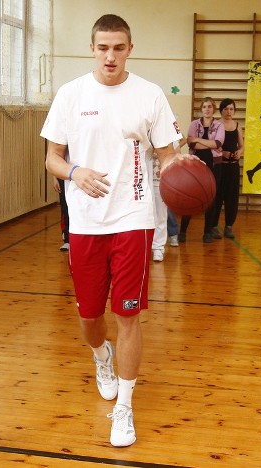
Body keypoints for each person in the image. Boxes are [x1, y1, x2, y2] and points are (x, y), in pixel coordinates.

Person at [40, 14, 186, 447]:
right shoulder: (70, 94)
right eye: (103, 47)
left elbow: (168, 154)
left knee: (128, 315)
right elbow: (52, 158)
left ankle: (124, 406)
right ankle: (101, 357)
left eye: (118, 47)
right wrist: (75, 172)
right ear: (92, 48)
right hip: (85, 222)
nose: (110, 55)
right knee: (90, 317)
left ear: (130, 48)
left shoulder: (150, 94)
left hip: (134, 218)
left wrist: (185, 169)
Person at [178, 97, 225, 243]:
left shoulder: (219, 125)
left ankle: (207, 232)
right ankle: (183, 231)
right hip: (195, 166)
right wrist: (208, 144)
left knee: (211, 199)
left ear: (213, 109)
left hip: (214, 166)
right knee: (191, 198)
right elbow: (191, 145)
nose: (207, 109)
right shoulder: (194, 124)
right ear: (201, 109)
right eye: (204, 106)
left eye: (210, 106)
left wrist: (198, 140)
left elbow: (218, 143)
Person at [213, 98, 244, 239]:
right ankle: (213, 226)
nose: (228, 112)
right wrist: (222, 152)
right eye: (226, 109)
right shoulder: (216, 124)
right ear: (221, 110)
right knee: (217, 196)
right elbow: (212, 144)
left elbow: (242, 146)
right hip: (219, 166)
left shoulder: (237, 125)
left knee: (232, 197)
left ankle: (229, 226)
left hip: (233, 167)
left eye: (231, 109)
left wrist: (239, 153)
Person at [151, 137, 185, 261]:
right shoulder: (141, 134)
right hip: (142, 182)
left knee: (161, 216)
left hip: (160, 182)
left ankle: (158, 248)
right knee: (144, 217)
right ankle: (145, 247)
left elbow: (177, 159)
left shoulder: (170, 138)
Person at [53, 176, 70, 251]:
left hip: (79, 175)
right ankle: (67, 240)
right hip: (63, 177)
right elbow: (55, 164)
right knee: (65, 208)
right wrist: (55, 178)